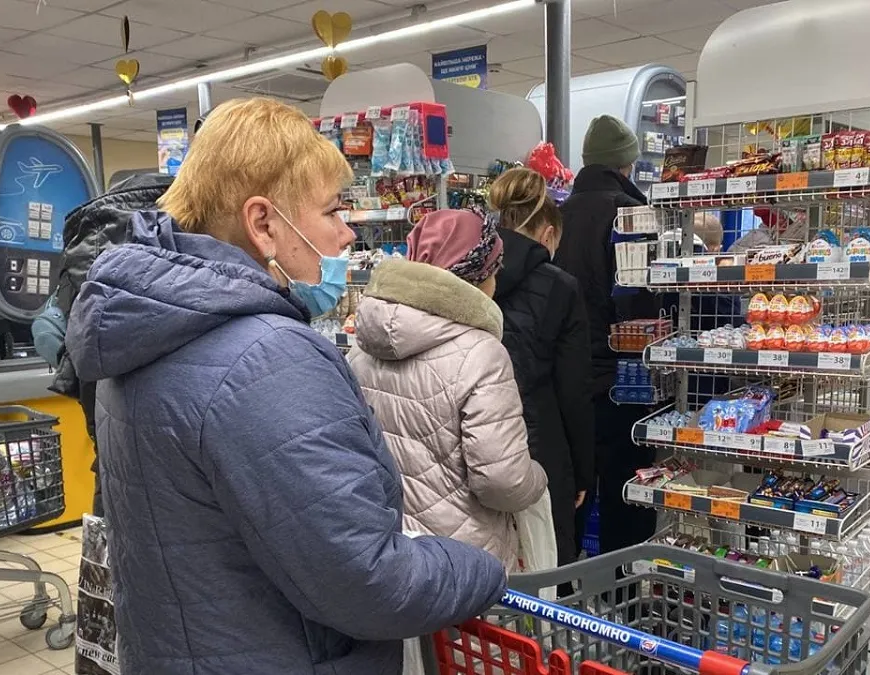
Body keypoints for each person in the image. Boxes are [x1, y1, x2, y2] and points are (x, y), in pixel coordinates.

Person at [64, 98, 507, 675]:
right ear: (263, 224)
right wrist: (484, 569)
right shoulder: (268, 359)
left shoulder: (140, 331)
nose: (346, 233)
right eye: (331, 211)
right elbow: (367, 581)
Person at [347, 209, 549, 569]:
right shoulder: (481, 354)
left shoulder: (361, 348)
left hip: (388, 546)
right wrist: (538, 479)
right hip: (462, 559)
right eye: (495, 270)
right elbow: (502, 481)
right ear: (478, 276)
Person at [41, 113, 210, 518]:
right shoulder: (196, 248)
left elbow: (48, 333)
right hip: (192, 495)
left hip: (116, 473)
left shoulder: (92, 252)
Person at [555, 114, 661, 555]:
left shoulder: (556, 216)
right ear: (626, 164)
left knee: (573, 494)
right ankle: (624, 585)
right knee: (627, 494)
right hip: (623, 378)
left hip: (566, 377)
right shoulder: (632, 212)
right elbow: (643, 301)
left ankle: (564, 585)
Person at [486, 168, 594, 569]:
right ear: (548, 234)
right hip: (541, 446)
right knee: (548, 562)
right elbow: (574, 389)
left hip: (479, 440)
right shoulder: (560, 287)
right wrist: (583, 473)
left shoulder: (470, 273)